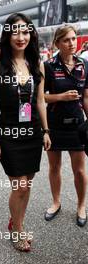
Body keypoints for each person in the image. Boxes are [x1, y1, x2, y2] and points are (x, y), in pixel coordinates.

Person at [0, 13, 51, 251]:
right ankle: (17, 230)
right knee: (20, 186)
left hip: (33, 132)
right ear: (7, 34)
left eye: (25, 32)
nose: (21, 37)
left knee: (28, 184)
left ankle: (17, 222)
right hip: (9, 132)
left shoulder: (37, 64)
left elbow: (40, 101)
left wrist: (45, 130)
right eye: (16, 32)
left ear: (30, 34)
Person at [44, 25, 88, 227]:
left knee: (79, 170)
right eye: (66, 40)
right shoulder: (49, 65)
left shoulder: (84, 64)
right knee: (54, 167)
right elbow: (40, 97)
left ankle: (81, 205)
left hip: (77, 125)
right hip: (54, 124)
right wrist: (61, 97)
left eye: (73, 38)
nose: (71, 43)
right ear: (57, 43)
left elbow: (86, 97)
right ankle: (55, 202)